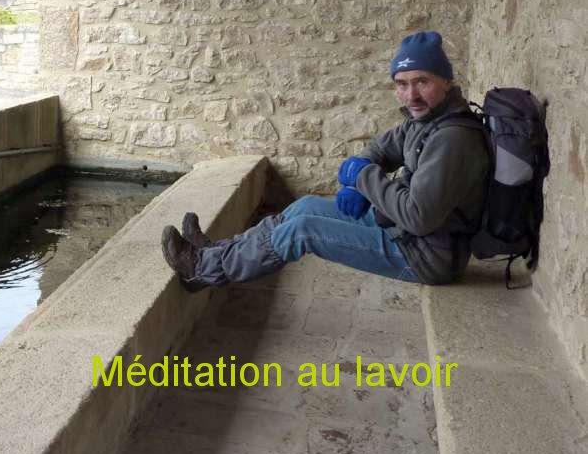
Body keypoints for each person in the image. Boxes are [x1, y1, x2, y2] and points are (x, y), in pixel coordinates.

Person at [162, 31, 490, 291]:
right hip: (401, 230)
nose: (411, 95)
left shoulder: (453, 139)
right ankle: (216, 254)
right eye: (402, 84)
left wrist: (362, 178)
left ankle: (203, 271)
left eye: (422, 82)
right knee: (304, 206)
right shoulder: (425, 120)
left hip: (425, 256)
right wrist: (358, 183)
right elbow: (379, 150)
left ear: (446, 81)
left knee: (303, 231)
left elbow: (417, 217)